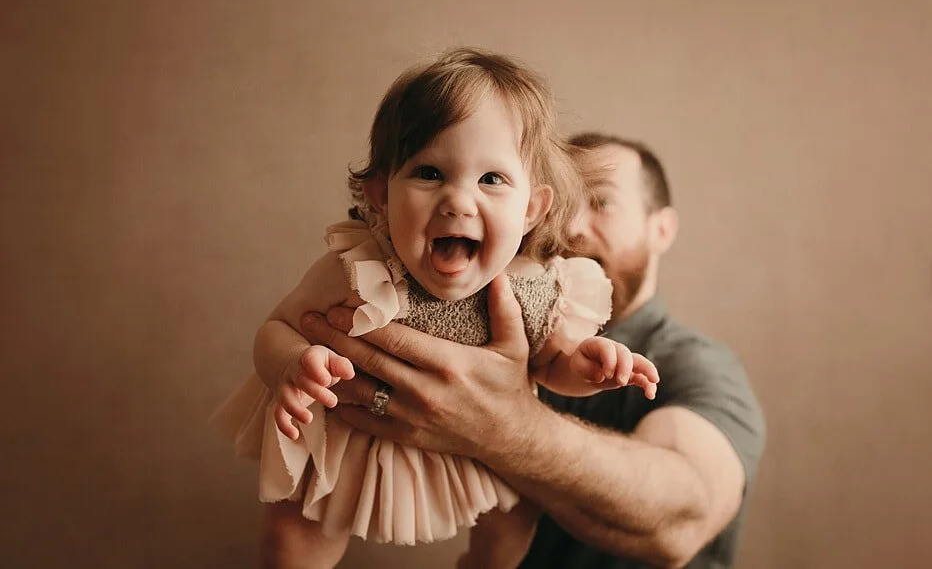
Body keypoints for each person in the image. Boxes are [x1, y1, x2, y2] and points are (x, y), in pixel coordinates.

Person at [210, 49, 659, 569]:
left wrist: (591, 366)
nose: (458, 201)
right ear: (380, 194)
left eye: (491, 179)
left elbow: (553, 365)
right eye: (429, 172)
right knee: (296, 534)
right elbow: (277, 328)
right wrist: (291, 364)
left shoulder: (536, 287)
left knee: (518, 513)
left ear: (531, 209)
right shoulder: (358, 269)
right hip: (350, 437)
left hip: (479, 443)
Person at [269, 132, 767, 568]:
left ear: (662, 228)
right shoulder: (491, 297)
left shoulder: (694, 363)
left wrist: (504, 424)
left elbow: (679, 519)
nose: (570, 227)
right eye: (564, 204)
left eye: (601, 202)